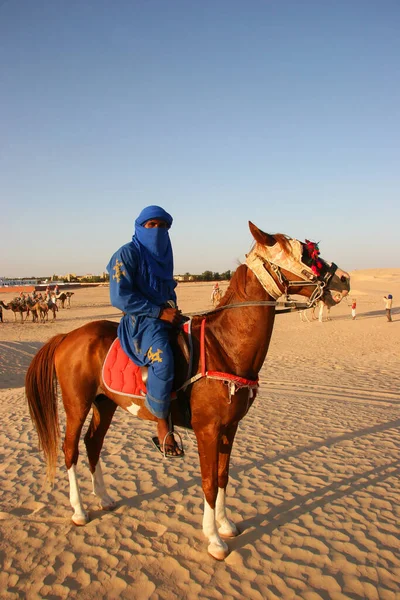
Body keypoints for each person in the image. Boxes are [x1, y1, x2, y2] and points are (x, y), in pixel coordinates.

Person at [107, 205, 184, 458]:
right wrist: (159, 313)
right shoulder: (126, 254)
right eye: (152, 225)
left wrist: (171, 311)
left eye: (163, 226)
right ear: (140, 228)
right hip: (140, 322)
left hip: (166, 315)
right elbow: (120, 297)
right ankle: (162, 423)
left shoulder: (165, 255)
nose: (158, 230)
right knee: (163, 358)